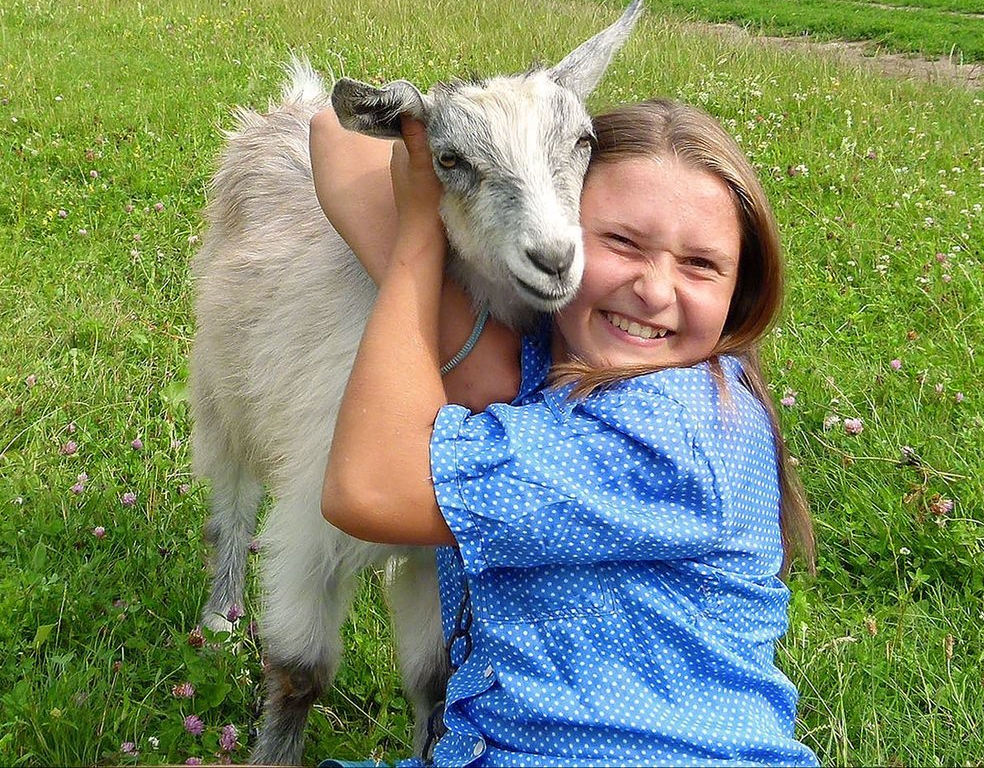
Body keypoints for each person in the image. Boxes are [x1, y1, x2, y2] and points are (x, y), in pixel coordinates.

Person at [309, 99, 818, 767]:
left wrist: (418, 240)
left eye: (701, 265)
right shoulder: (545, 364)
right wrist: (471, 158)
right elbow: (332, 134)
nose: (656, 290)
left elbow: (369, 489)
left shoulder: (680, 432)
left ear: (740, 290)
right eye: (622, 243)